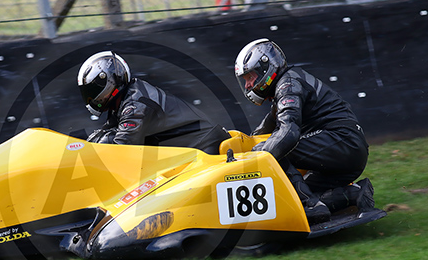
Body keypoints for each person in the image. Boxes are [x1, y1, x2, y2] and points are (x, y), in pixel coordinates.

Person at [234, 38, 374, 224]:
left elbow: (287, 133)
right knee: (291, 194)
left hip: (343, 141)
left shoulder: (288, 85)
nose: (248, 86)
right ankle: (354, 193)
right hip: (347, 148)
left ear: (265, 67)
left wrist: (256, 158)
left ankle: (311, 207)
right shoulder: (286, 85)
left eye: (250, 77)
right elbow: (260, 133)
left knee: (277, 149)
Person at [77, 51, 230, 154]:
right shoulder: (123, 101)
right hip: (190, 153)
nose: (91, 97)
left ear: (109, 82)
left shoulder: (136, 104)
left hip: (206, 150)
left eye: (92, 91)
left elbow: (121, 152)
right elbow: (100, 139)